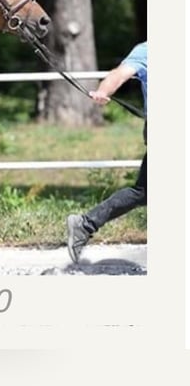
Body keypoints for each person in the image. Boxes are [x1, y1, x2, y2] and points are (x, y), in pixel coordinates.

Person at [66, 41, 147, 263]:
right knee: (144, 191)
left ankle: (86, 223)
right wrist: (103, 91)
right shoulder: (147, 50)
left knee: (144, 192)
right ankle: (86, 224)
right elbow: (119, 74)